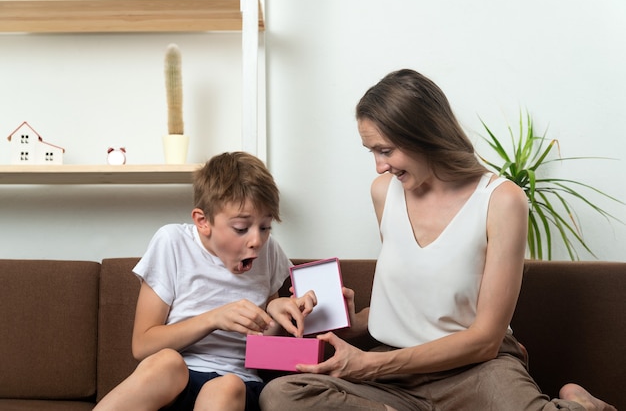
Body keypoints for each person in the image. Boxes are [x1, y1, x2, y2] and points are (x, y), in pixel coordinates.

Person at [259, 69, 617, 411]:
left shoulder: (501, 200)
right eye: (372, 152)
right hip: (395, 375)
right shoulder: (385, 192)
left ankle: (580, 404)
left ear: (423, 135)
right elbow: (418, 301)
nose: (379, 166)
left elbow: (485, 339)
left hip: (474, 369)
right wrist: (348, 320)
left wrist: (370, 365)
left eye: (385, 150)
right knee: (281, 396)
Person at [94, 151, 316, 411]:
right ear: (203, 222)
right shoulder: (172, 242)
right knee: (166, 363)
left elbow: (265, 349)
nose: (256, 240)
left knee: (226, 385)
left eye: (265, 227)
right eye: (241, 228)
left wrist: (278, 314)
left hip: (238, 387)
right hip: (175, 383)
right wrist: (213, 319)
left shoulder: (270, 253)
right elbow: (142, 346)